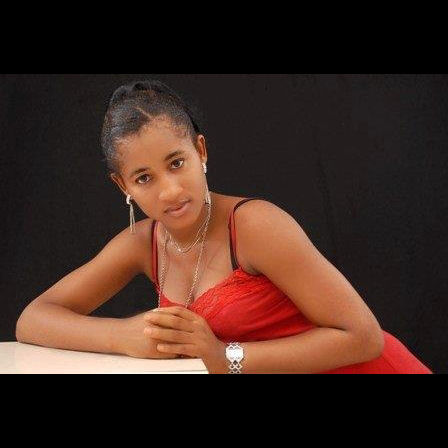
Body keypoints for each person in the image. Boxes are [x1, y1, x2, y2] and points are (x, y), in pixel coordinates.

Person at [16, 79, 432, 374]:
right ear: (123, 186)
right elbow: (33, 320)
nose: (170, 191)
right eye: (144, 178)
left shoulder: (255, 226)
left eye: (176, 163)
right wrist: (122, 336)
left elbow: (364, 338)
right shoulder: (141, 243)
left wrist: (225, 356)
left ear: (200, 151)